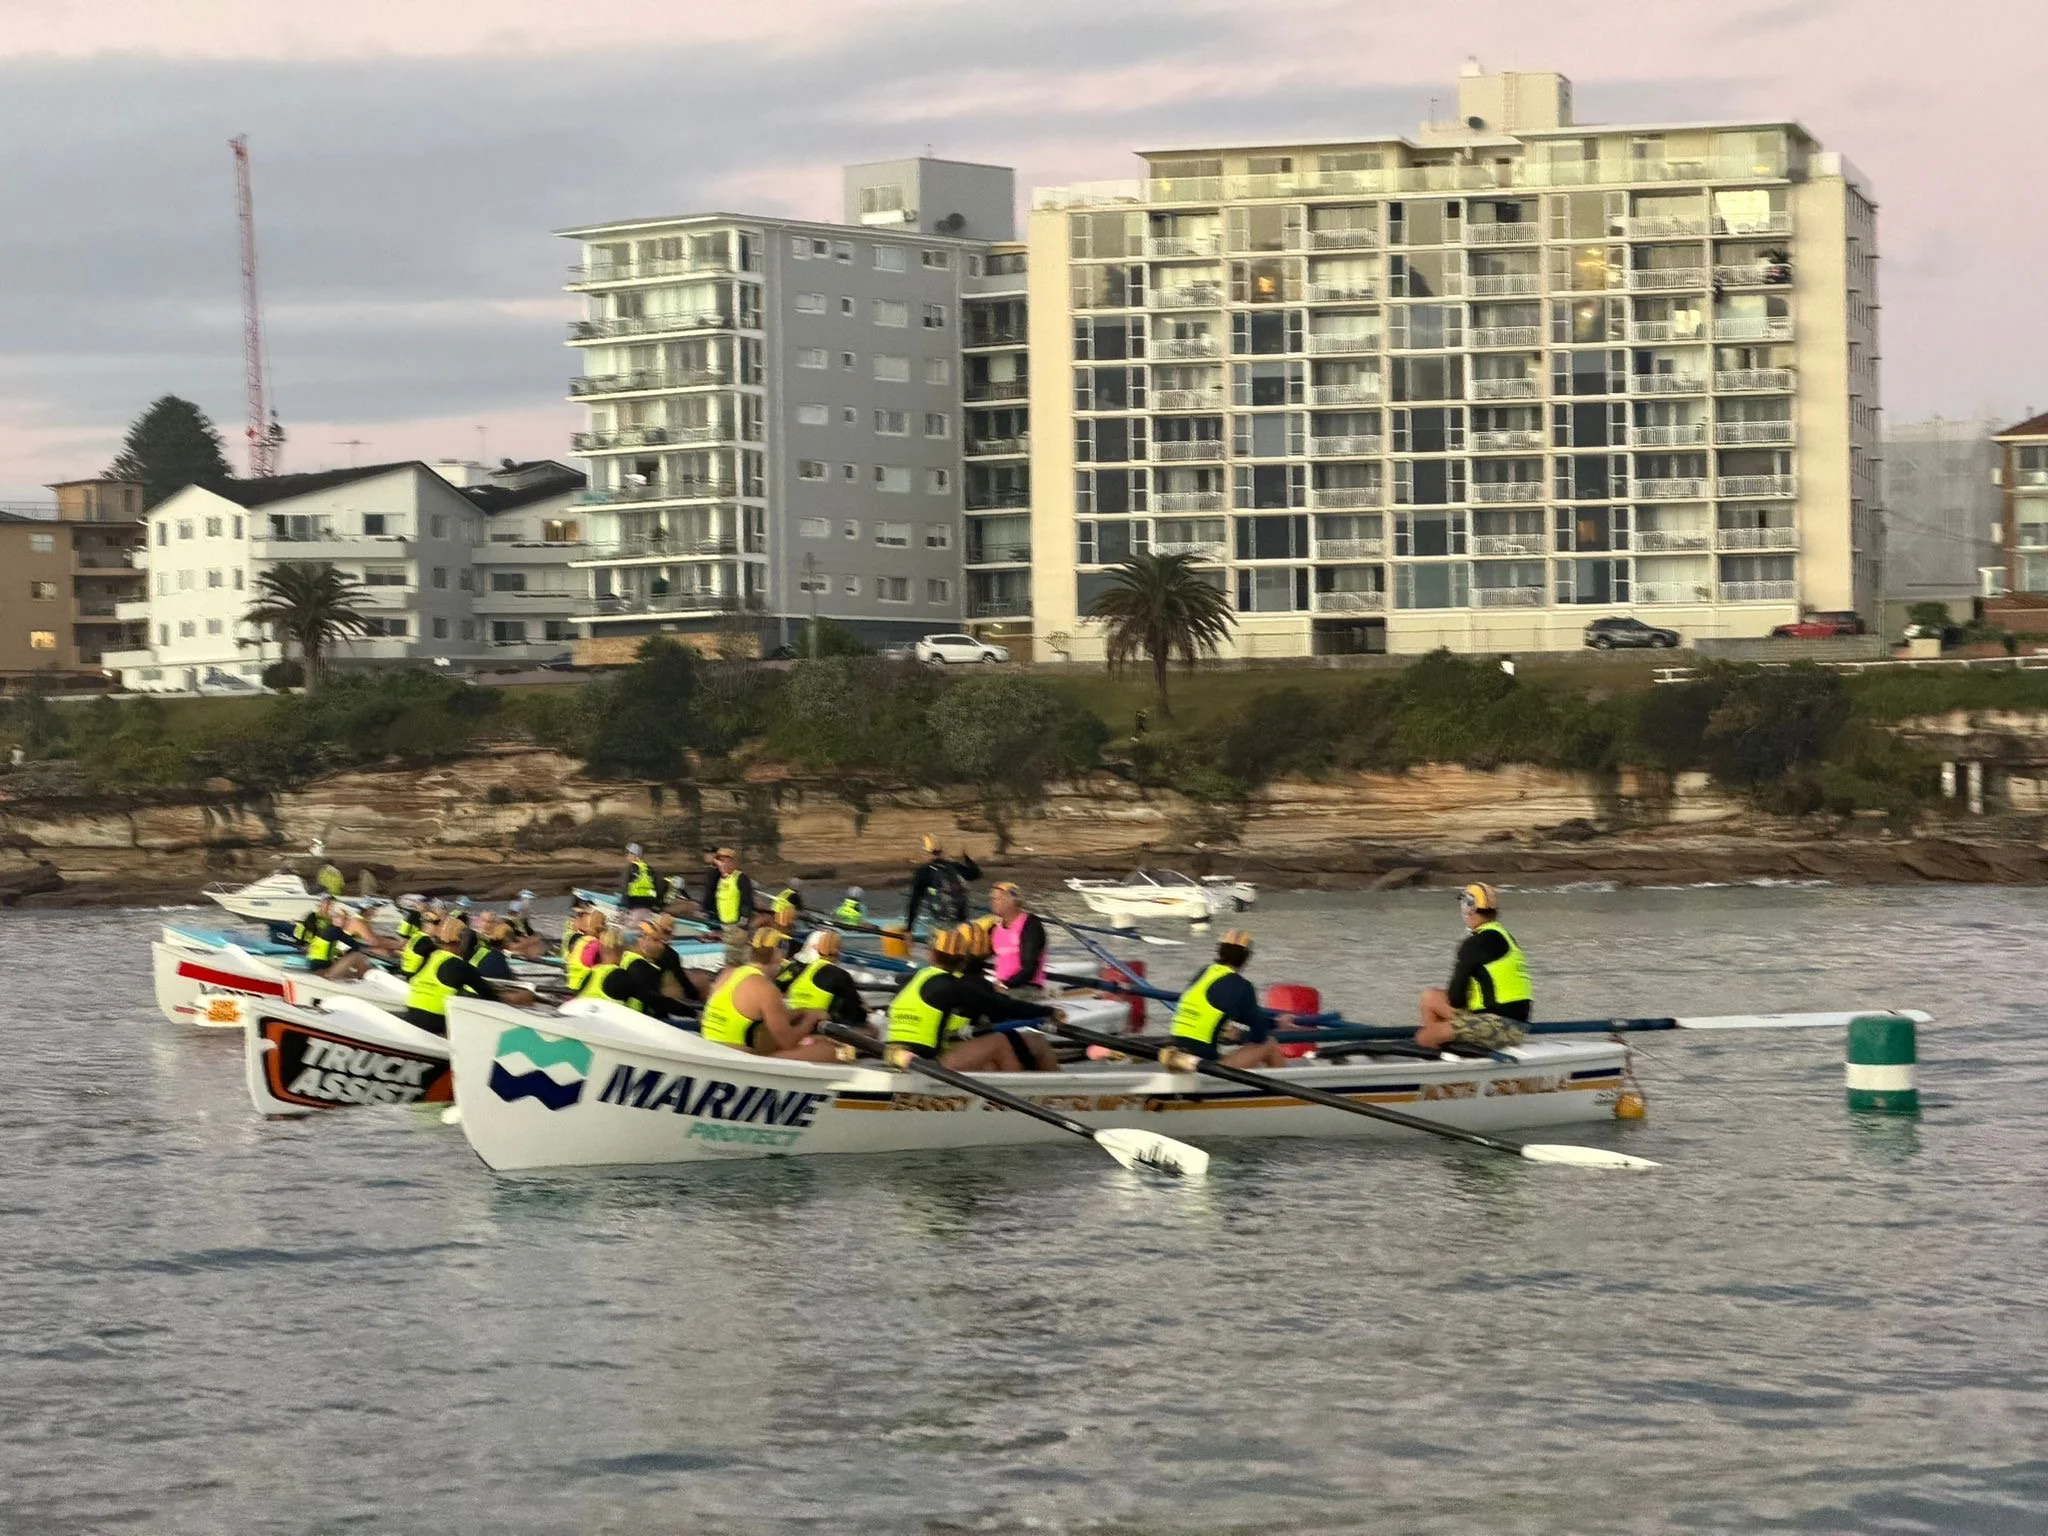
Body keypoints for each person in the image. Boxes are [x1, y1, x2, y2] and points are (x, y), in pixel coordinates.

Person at [887, 926, 1061, 1074]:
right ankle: (1024, 1097)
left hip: (894, 1055)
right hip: (929, 1064)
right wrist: (1048, 1012)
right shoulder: (954, 986)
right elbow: (1005, 1007)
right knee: (1000, 1041)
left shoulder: (909, 980)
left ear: (931, 956)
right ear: (962, 962)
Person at [1417, 883, 1531, 1053]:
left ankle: (1448, 1065)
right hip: (1514, 1024)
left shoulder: (1474, 943)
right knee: (1430, 997)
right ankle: (1450, 1049)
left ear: (1469, 908)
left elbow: (1456, 998)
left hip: (1501, 1026)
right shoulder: (1503, 935)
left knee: (1425, 1036)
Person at [699, 927, 840, 1061]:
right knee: (829, 1050)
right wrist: (810, 1020)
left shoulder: (730, 973)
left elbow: (768, 1015)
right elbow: (788, 1041)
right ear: (776, 957)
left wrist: (803, 1011)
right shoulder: (766, 988)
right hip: (739, 1056)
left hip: (711, 1045)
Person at [1169, 930, 1293, 1070]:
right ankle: (1285, 1091)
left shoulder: (1204, 973)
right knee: (1269, 1044)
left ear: (1220, 952)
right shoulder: (1241, 985)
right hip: (1205, 1067)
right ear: (1246, 958)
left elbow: (1216, 1009)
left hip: (1176, 1057)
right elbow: (1258, 1034)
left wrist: (1233, 1031)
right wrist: (1278, 1023)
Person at [405, 915, 536, 1035]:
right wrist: (519, 997)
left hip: (411, 1016)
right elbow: (491, 996)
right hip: (434, 1026)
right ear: (461, 940)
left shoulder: (429, 957)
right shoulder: (459, 965)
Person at [577, 927, 680, 1020]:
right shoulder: (620, 976)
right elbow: (655, 1001)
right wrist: (690, 1012)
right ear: (622, 949)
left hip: (588, 1020)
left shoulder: (591, 973)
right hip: (624, 1024)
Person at [777, 929, 870, 1030]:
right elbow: (856, 1015)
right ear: (838, 952)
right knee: (871, 1030)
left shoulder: (798, 968)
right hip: (816, 1027)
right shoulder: (840, 975)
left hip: (794, 1022)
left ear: (816, 948)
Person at [904, 834, 980, 936]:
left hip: (940, 926)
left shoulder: (924, 872)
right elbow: (975, 873)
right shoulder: (954, 866)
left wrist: (909, 929)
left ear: (924, 853)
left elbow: (915, 901)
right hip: (962, 925)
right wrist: (966, 857)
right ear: (942, 851)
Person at [985, 881, 1049, 999]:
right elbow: (981, 956)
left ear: (1013, 901)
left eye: (999, 899)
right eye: (992, 899)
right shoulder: (994, 927)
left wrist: (1006, 984)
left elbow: (1030, 968)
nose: (993, 903)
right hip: (1002, 985)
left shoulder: (1030, 925)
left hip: (1027, 987)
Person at [700, 847, 756, 965]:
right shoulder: (718, 878)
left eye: (726, 861)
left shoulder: (740, 878)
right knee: (731, 957)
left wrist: (744, 921)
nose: (723, 864)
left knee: (738, 956)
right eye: (721, 861)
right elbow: (710, 894)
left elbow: (747, 901)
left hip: (737, 925)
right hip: (724, 924)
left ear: (733, 862)